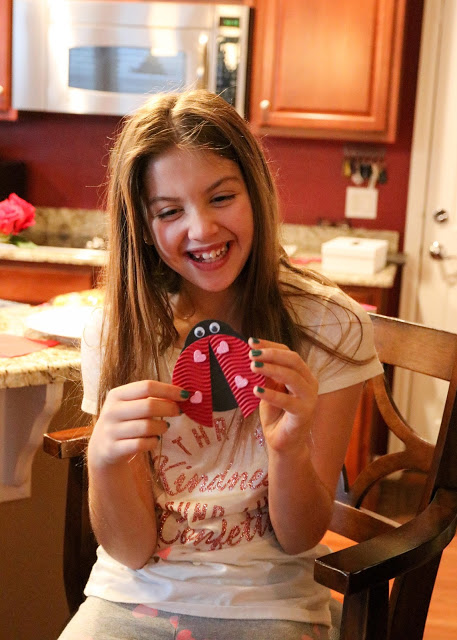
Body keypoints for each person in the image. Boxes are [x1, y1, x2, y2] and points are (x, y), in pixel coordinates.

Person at [58, 89, 383, 640]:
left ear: (255, 192)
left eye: (222, 197)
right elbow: (130, 550)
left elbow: (301, 536)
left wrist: (289, 448)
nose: (202, 229)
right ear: (142, 226)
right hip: (132, 597)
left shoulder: (330, 326)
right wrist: (106, 462)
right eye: (169, 211)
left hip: (270, 602)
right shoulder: (116, 332)